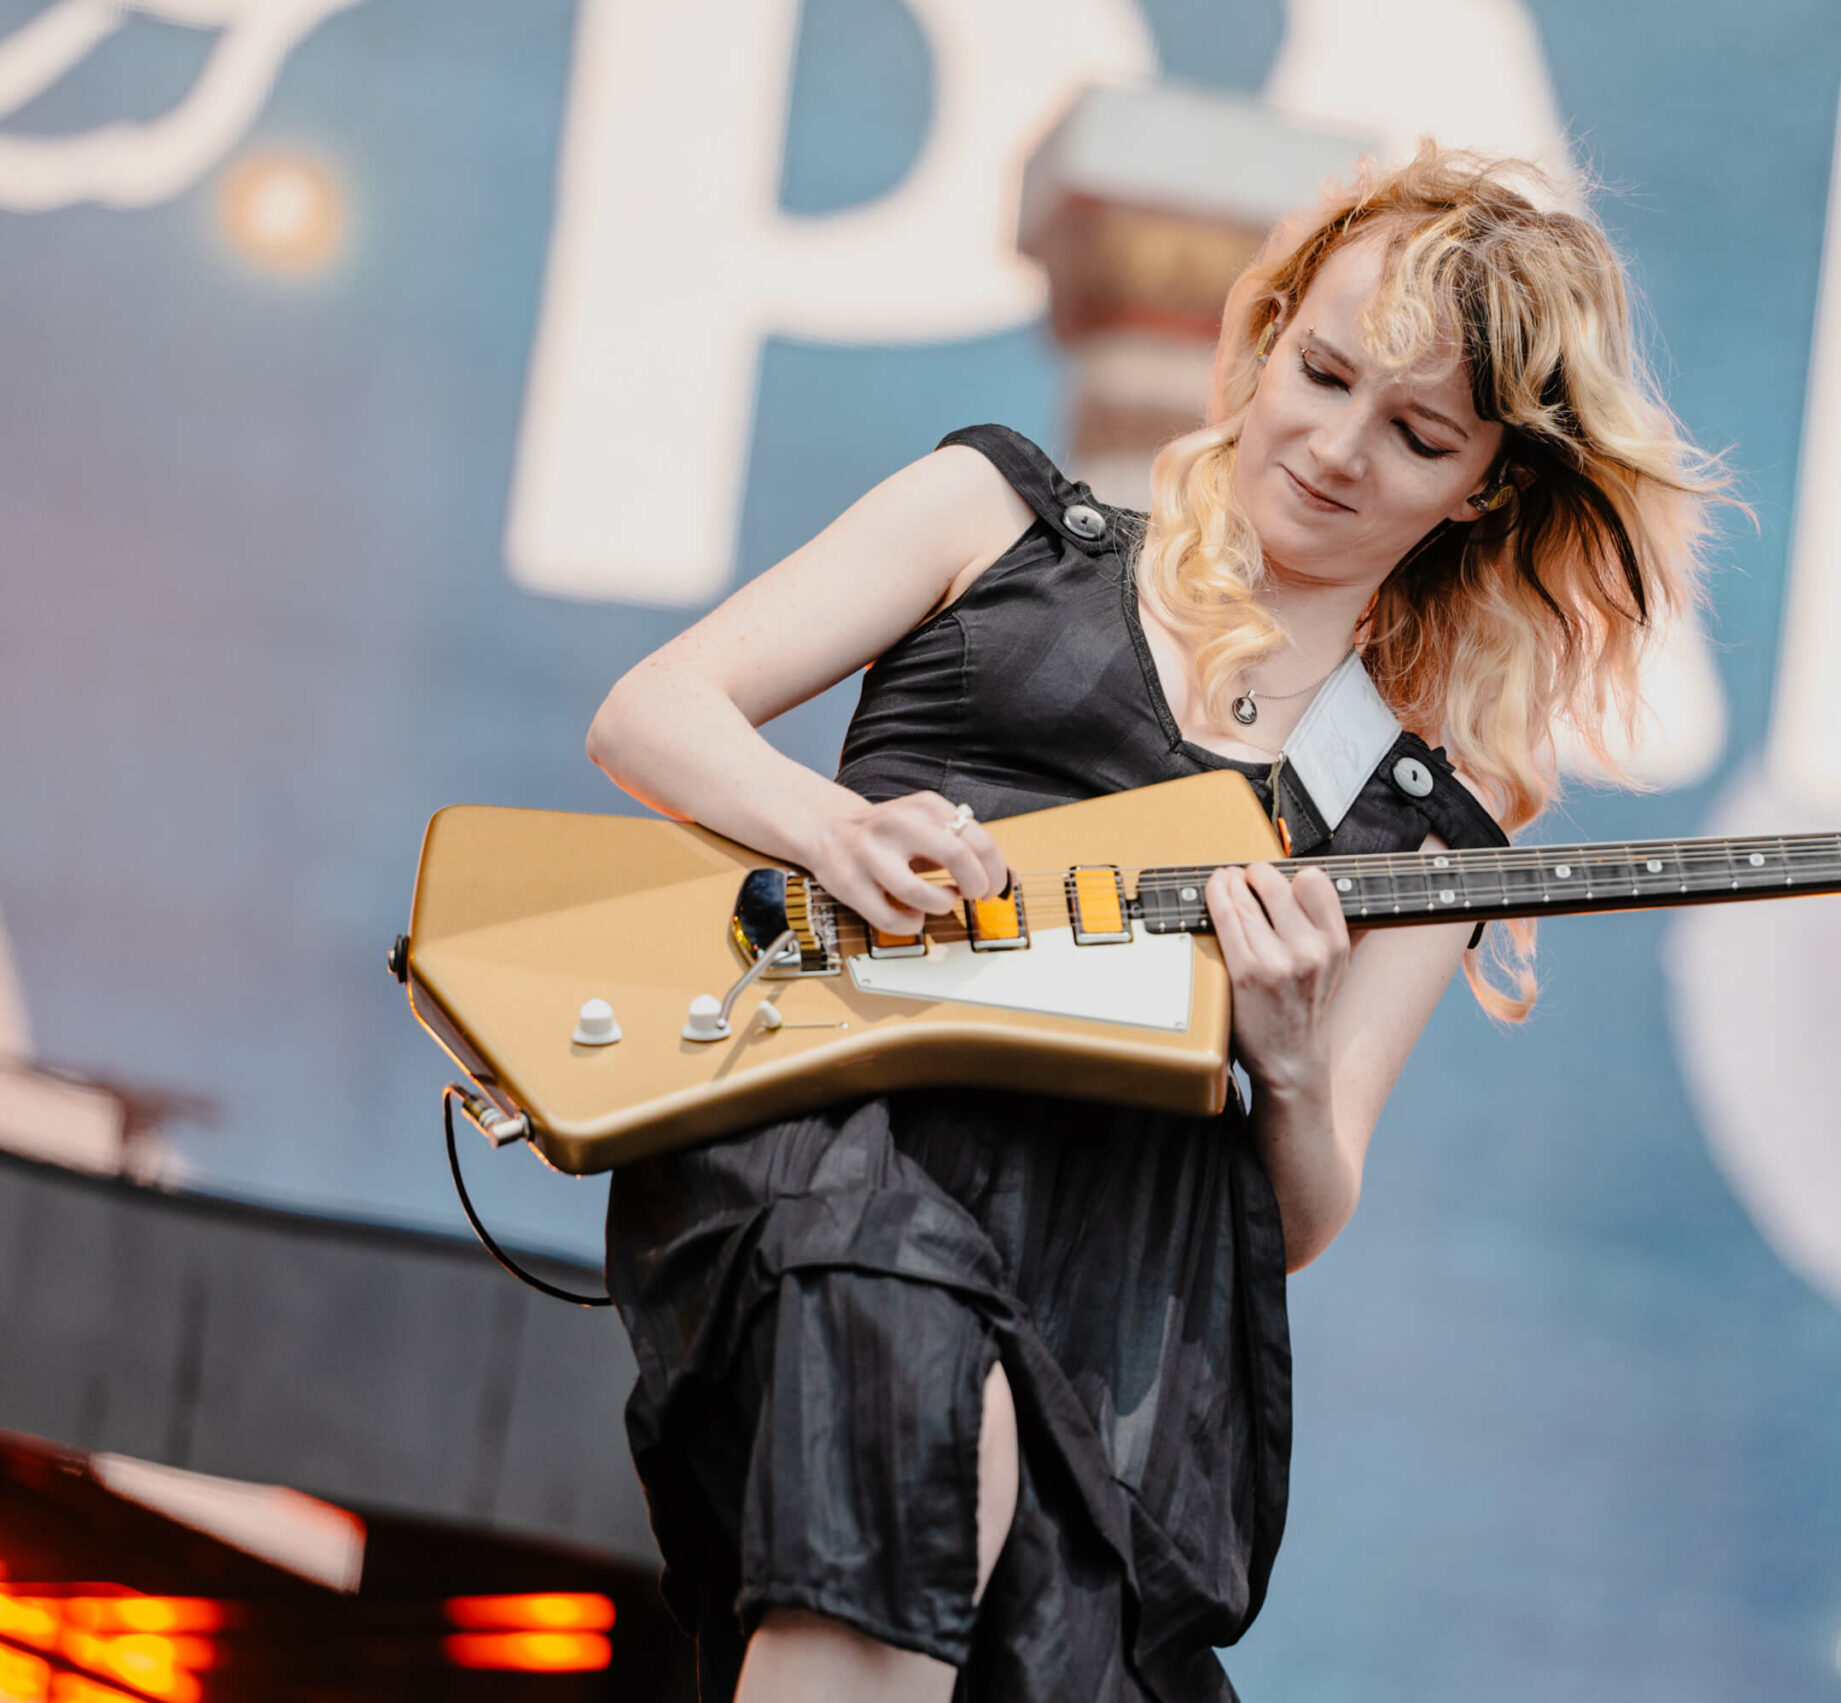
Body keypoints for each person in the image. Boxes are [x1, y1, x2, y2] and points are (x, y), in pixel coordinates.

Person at [584, 143, 1729, 1703]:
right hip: (827, 1132)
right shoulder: (995, 517)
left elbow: (1307, 1216)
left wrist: (1296, 1061)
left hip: (1105, 1266)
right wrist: (838, 830)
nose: (1335, 449)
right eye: (1323, 375)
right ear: (1264, 344)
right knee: (909, 1367)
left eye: (1415, 434)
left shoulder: (1419, 819)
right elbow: (656, 715)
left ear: (1488, 485)